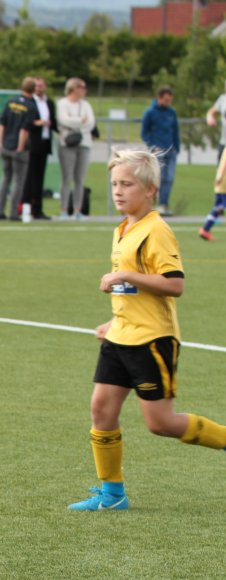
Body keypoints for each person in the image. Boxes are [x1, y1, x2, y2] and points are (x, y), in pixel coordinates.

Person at [68, 147, 226, 511]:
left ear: (151, 189)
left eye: (127, 184)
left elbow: (174, 284)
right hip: (121, 335)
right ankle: (112, 495)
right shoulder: (124, 228)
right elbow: (134, 290)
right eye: (114, 184)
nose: (118, 191)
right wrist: (115, 321)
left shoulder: (157, 230)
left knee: (161, 423)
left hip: (152, 340)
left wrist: (124, 274)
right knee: (101, 410)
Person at [0, 77, 35, 221]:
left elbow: (2, 124)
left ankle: (0, 211)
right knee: (19, 181)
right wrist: (20, 146)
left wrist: (1, 143)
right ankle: (13, 212)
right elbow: (24, 129)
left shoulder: (11, 102)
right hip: (19, 148)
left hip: (6, 145)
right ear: (33, 89)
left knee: (5, 178)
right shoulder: (31, 105)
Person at [56, 77, 96, 220]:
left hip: (84, 142)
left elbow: (90, 123)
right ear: (73, 88)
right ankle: (64, 210)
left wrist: (75, 124)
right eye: (82, 87)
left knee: (80, 178)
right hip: (67, 143)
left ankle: (77, 210)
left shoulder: (85, 105)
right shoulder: (62, 103)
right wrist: (79, 121)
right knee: (66, 177)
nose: (84, 90)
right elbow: (63, 120)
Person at [21, 76, 57, 220]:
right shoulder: (29, 102)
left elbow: (54, 121)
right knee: (29, 177)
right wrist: (38, 123)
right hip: (32, 143)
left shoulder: (49, 102)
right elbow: (26, 122)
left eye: (41, 86)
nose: (39, 88)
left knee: (39, 178)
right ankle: (25, 208)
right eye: (36, 86)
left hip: (44, 143)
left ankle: (38, 210)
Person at [141, 86, 180, 216]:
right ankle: (153, 204)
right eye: (166, 100)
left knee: (169, 178)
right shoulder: (150, 113)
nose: (168, 103)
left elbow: (175, 130)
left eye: (170, 100)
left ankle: (164, 204)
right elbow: (144, 132)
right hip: (158, 150)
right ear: (159, 98)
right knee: (159, 178)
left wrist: (176, 147)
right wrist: (152, 146)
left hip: (171, 150)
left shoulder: (171, 113)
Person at [197, 144, 226, 241]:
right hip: (224, 183)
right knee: (220, 206)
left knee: (218, 207)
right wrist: (220, 178)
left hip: (220, 183)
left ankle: (205, 230)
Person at [204, 80, 226, 161]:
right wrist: (210, 118)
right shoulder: (223, 99)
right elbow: (211, 112)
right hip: (224, 143)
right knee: (220, 169)